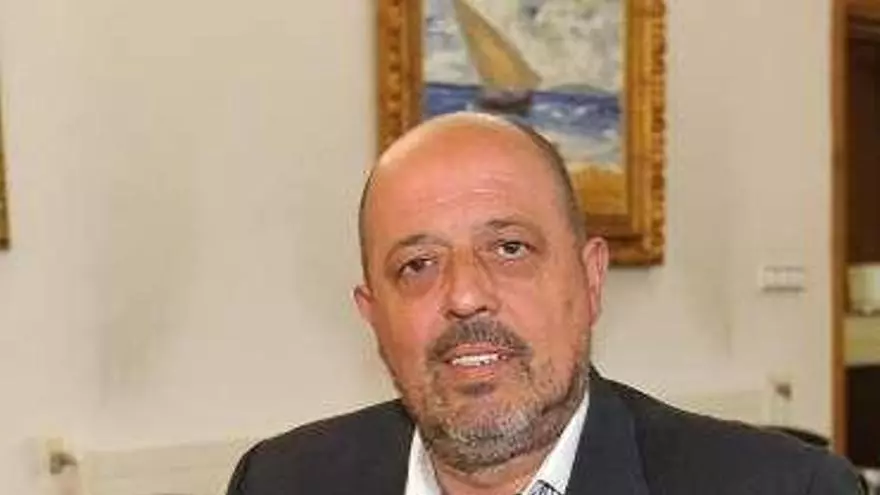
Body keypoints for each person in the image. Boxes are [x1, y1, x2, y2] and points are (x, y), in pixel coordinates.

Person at [226, 112, 861, 494]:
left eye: (510, 248)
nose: (465, 295)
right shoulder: (281, 481)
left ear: (590, 280)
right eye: (417, 265)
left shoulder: (786, 489)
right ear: (372, 315)